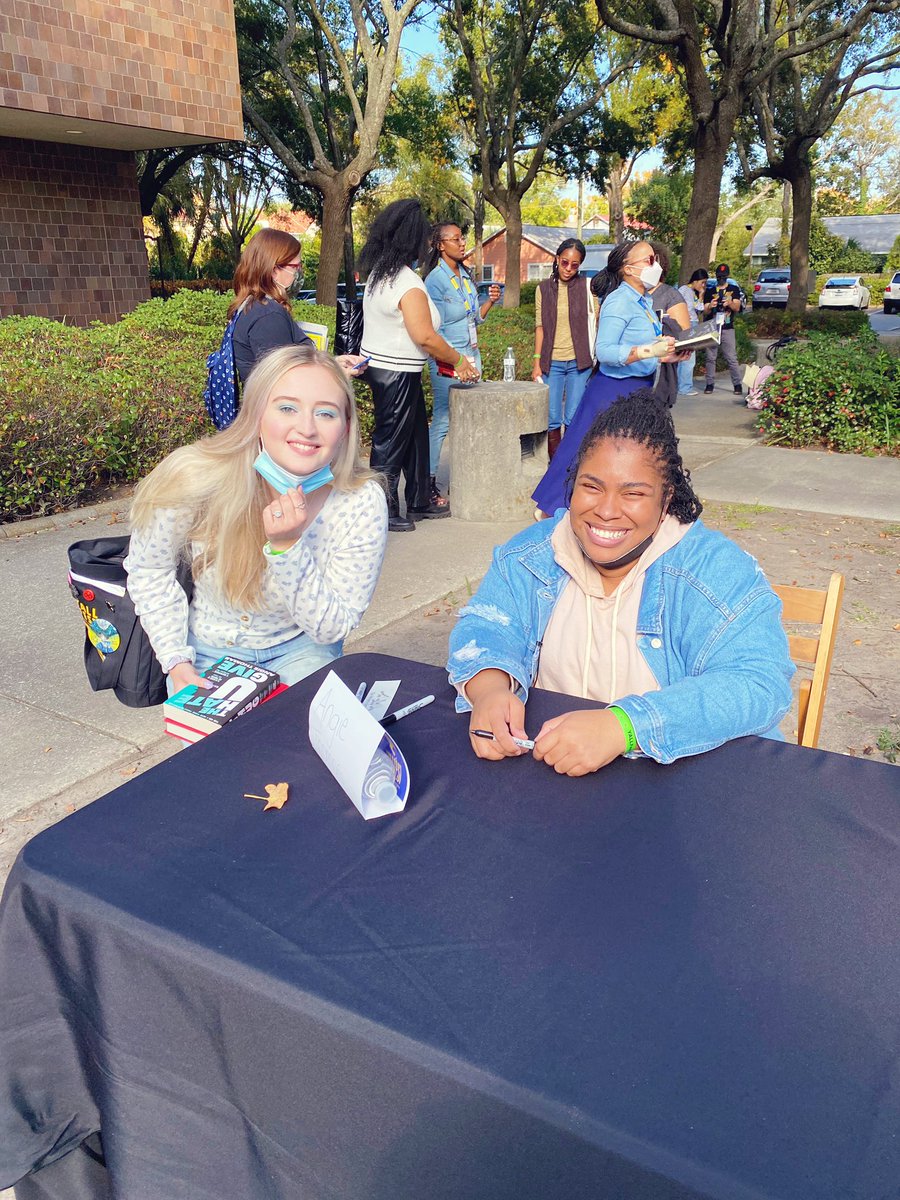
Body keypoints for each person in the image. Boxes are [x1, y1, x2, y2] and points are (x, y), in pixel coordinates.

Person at [449, 391, 793, 775]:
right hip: (554, 781)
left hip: (679, 790)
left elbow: (759, 683)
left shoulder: (716, 570)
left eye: (633, 494)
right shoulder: (530, 555)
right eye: (591, 487)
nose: (607, 511)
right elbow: (486, 627)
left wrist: (624, 727)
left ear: (666, 501)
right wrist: (490, 688)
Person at [125, 344, 388, 696]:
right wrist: (176, 660)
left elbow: (331, 628)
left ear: (345, 426)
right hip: (206, 649)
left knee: (300, 744)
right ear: (256, 414)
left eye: (325, 413)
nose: (306, 428)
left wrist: (287, 549)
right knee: (220, 751)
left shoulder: (360, 500)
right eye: (287, 408)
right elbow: (149, 569)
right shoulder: (196, 477)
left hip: (301, 648)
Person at [531, 240, 683, 518]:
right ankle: (552, 508)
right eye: (649, 260)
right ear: (628, 269)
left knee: (622, 454)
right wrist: (648, 350)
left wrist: (668, 354)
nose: (656, 265)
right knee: (582, 449)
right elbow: (606, 350)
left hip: (639, 389)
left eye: (655, 259)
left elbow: (645, 349)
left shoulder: (644, 302)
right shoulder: (619, 301)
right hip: (612, 390)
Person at [359, 199, 480, 533]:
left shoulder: (382, 275)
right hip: (395, 371)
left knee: (414, 438)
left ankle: (418, 499)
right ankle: (381, 508)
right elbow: (425, 336)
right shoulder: (407, 283)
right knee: (390, 443)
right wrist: (458, 360)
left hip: (392, 369)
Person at [424, 222, 502, 508]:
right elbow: (434, 327)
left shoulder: (465, 276)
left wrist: (490, 302)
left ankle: (472, 479)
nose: (461, 243)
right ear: (440, 245)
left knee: (472, 417)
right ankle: (428, 483)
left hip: (472, 356)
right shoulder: (434, 281)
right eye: (455, 239)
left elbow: (474, 319)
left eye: (462, 238)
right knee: (443, 420)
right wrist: (453, 361)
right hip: (448, 359)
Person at [230, 228, 366, 387]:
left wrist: (333, 364)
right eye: (295, 266)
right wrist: (337, 376)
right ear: (274, 270)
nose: (299, 273)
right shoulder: (268, 316)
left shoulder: (255, 305)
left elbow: (290, 366)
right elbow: (285, 383)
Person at [531, 238, 599, 459]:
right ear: (557, 259)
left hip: (579, 363)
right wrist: (536, 364)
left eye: (575, 264)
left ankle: (568, 466)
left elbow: (596, 320)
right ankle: (555, 467)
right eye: (565, 262)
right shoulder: (543, 289)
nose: (569, 268)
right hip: (552, 363)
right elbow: (539, 327)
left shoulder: (588, 287)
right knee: (551, 418)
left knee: (572, 417)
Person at [702, 262, 744, 396]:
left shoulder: (733, 289)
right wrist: (710, 305)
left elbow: (737, 308)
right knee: (710, 357)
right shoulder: (710, 291)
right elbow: (705, 311)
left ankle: (737, 384)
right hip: (713, 326)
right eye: (719, 277)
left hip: (727, 326)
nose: (721, 279)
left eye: (723, 277)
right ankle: (709, 383)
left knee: (731, 357)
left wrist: (729, 303)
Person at [676, 269, 709, 396]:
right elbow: (691, 308)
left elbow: (699, 307)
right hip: (688, 324)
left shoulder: (691, 291)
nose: (703, 285)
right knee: (689, 357)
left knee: (685, 356)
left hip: (690, 324)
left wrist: (701, 294)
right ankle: (685, 387)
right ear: (695, 281)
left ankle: (681, 386)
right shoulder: (685, 291)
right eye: (702, 282)